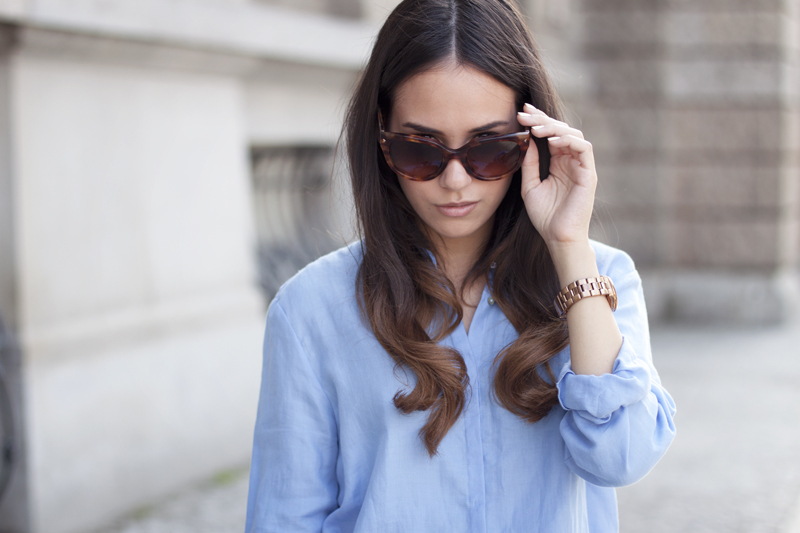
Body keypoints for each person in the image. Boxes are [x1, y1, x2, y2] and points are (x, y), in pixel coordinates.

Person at [245, 0, 676, 531]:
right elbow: (286, 517)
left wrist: (569, 246)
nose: (455, 181)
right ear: (382, 140)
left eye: (489, 148)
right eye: (420, 150)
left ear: (531, 139)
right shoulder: (310, 309)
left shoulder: (601, 280)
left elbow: (621, 458)